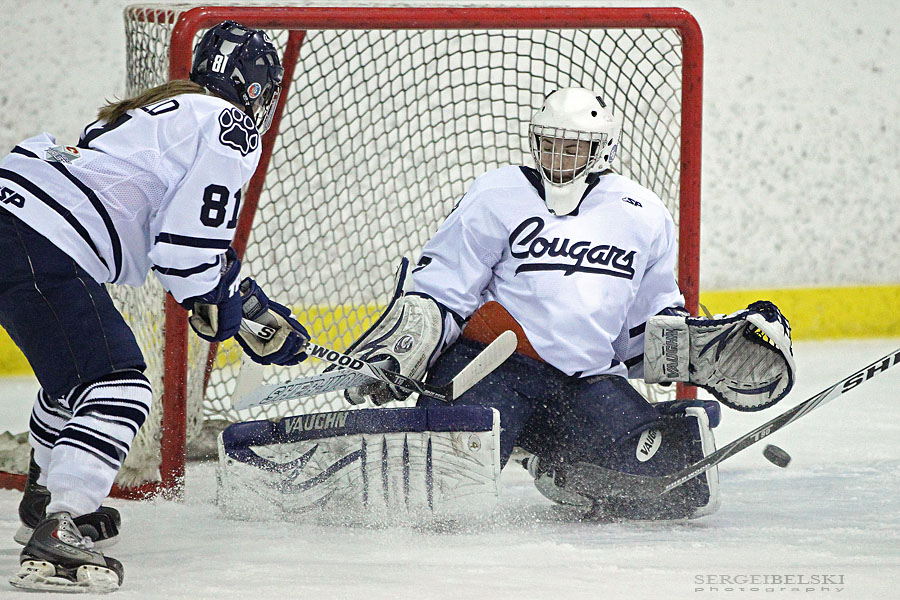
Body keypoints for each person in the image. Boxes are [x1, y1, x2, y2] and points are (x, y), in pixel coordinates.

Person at [344, 87, 796, 521]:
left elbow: (644, 330)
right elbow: (442, 287)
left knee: (674, 490)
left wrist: (701, 348)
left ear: (601, 151)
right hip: (491, 371)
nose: (558, 159)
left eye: (573, 148)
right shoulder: (497, 194)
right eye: (549, 145)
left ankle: (562, 461)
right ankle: (515, 439)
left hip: (584, 383)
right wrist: (402, 348)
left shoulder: (641, 213)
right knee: (438, 497)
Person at [0, 21, 310, 592]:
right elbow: (187, 250)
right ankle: (60, 522)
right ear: (255, 87)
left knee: (72, 372)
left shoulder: (162, 110)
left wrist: (240, 298)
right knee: (120, 385)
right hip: (40, 241)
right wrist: (215, 303)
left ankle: (44, 495)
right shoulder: (229, 122)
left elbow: (167, 225)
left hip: (17, 220)